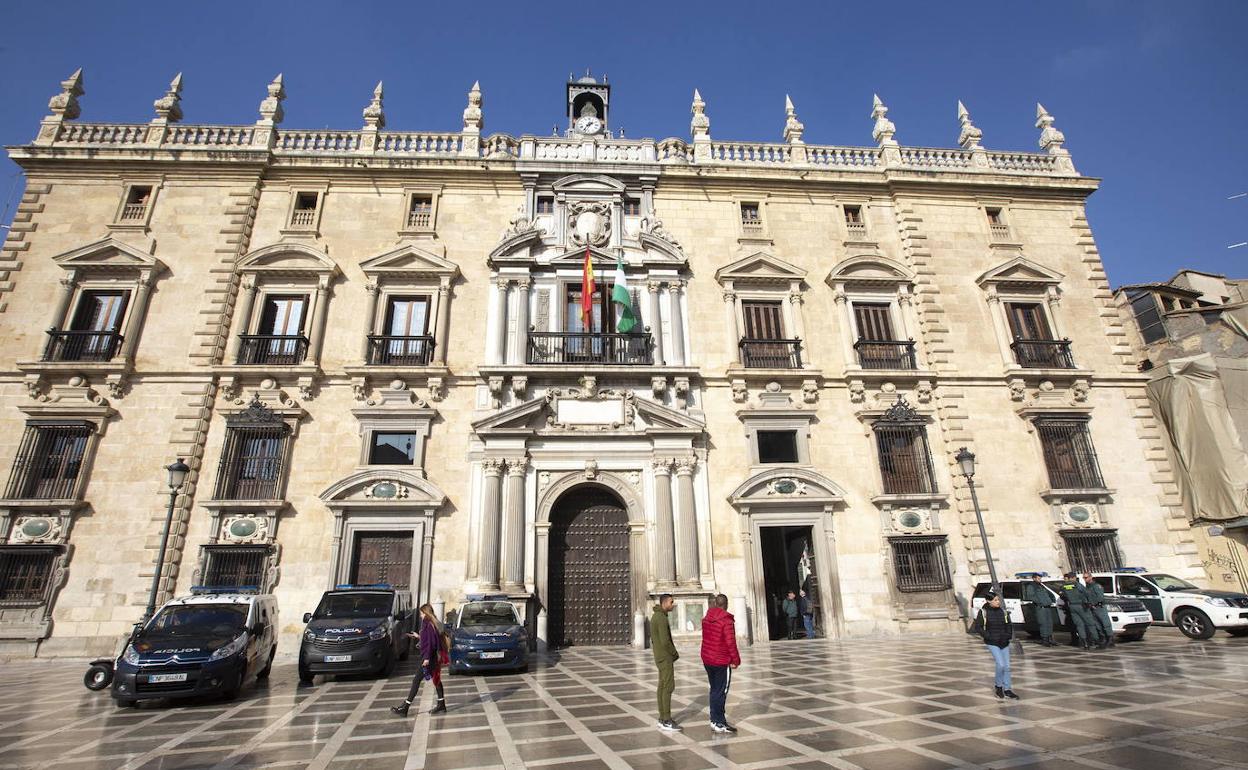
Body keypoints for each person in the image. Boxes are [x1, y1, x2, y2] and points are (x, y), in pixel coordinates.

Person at [391, 604, 447, 716]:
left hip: (429, 658)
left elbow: (430, 643)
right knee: (436, 679)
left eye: (421, 613)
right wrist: (418, 636)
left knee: (416, 680)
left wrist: (426, 658)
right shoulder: (431, 624)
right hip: (433, 657)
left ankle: (405, 707)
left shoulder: (428, 624)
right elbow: (429, 639)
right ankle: (441, 704)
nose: (420, 616)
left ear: (426, 613)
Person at [701, 593, 741, 733]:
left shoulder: (706, 618)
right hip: (721, 660)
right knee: (721, 691)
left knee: (714, 690)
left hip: (707, 658)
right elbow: (731, 642)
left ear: (716, 604)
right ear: (726, 604)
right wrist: (736, 660)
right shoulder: (726, 621)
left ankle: (714, 720)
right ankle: (719, 722)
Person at [970, 590, 1019, 700]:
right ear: (989, 601)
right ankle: (998, 686)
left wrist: (1008, 635)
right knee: (1000, 664)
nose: (998, 602)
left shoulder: (1003, 611)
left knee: (1007, 666)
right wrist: (988, 636)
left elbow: (1008, 625)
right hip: (992, 642)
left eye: (998, 600)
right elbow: (978, 627)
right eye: (995, 600)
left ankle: (1008, 689)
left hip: (1004, 641)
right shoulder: (983, 612)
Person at [650, 594, 681, 732]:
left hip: (660, 656)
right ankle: (666, 720)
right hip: (665, 656)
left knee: (662, 686)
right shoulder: (661, 618)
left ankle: (663, 718)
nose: (673, 604)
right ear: (664, 603)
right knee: (668, 686)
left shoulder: (656, 616)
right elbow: (665, 641)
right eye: (671, 602)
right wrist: (674, 653)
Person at [1059, 571, 1095, 650]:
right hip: (1081, 605)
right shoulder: (1077, 584)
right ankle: (1093, 640)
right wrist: (1089, 603)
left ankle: (1084, 643)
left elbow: (1062, 595)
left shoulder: (1064, 586)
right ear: (1074, 577)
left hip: (1072, 606)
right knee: (1089, 623)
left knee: (1079, 625)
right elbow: (1086, 593)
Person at [1022, 573, 1057, 647]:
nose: (1040, 579)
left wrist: (1050, 601)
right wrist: (1040, 603)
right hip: (1041, 607)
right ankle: (1045, 639)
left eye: (1040, 578)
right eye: (1038, 578)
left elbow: (1048, 594)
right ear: (1034, 578)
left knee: (1049, 623)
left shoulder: (1041, 585)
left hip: (1047, 606)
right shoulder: (1031, 586)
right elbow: (1031, 596)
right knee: (1043, 623)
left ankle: (1050, 638)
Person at [1082, 571, 1114, 649]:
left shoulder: (1096, 586)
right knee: (1097, 625)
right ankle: (1103, 639)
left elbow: (1100, 597)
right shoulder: (1087, 587)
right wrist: (1088, 604)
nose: (1085, 579)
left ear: (1090, 577)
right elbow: (1086, 597)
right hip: (1092, 608)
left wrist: (1094, 604)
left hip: (1099, 607)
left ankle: (1110, 639)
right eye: (1084, 578)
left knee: (1105, 623)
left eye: (1086, 577)